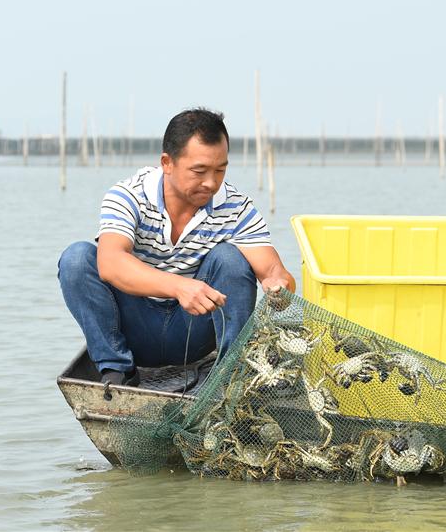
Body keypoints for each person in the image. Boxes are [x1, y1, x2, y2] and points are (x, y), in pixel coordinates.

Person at [58, 108, 295, 386]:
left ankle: (229, 376)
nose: (211, 183)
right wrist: (179, 287)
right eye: (199, 171)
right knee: (77, 258)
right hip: (136, 329)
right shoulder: (128, 195)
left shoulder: (236, 206)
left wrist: (279, 285)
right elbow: (110, 264)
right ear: (167, 163)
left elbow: (275, 272)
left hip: (194, 330)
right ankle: (118, 369)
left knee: (230, 258)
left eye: (220, 170)